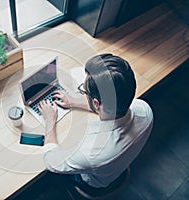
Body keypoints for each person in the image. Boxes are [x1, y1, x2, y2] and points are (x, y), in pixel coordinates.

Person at [38, 53, 153, 189]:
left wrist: (49, 122)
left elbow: (52, 162)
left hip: (93, 182)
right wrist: (74, 101)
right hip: (118, 167)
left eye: (85, 91)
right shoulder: (145, 109)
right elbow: (111, 107)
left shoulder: (91, 153)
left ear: (96, 103)